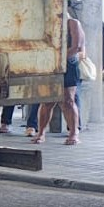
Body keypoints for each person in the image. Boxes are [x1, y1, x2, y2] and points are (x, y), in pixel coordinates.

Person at [33, 10, 84, 145]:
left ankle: (73, 133)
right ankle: (41, 132)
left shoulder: (72, 23)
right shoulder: (46, 23)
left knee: (68, 100)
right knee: (47, 101)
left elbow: (76, 47)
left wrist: (58, 61)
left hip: (67, 64)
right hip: (50, 65)